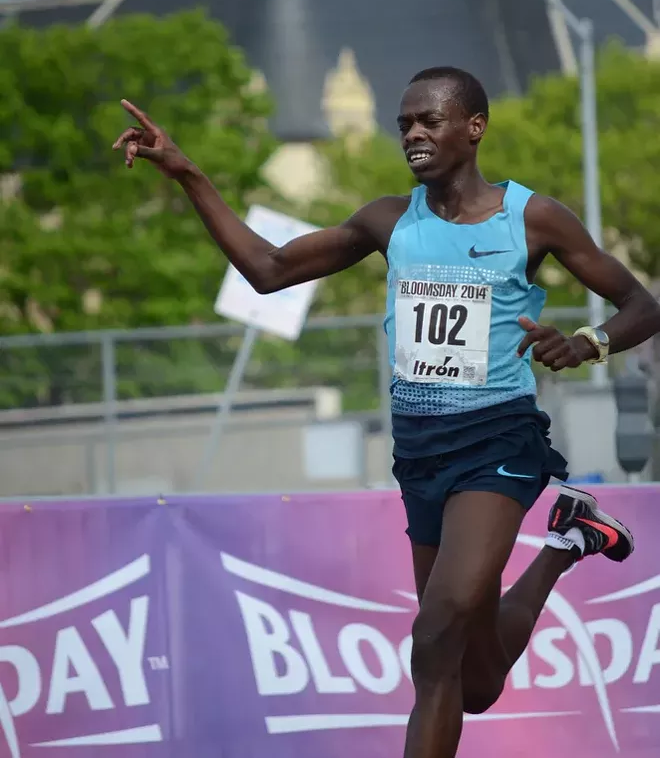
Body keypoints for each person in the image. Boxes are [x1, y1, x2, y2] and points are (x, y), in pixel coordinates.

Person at [113, 65, 660, 758]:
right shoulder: (387, 220)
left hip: (499, 440)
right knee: (472, 681)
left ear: (474, 127)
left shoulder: (532, 218)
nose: (413, 133)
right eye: (404, 123)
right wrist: (189, 172)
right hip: (421, 452)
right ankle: (566, 543)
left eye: (429, 120)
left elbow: (643, 305)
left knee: (432, 642)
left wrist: (586, 343)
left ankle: (558, 534)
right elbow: (269, 268)